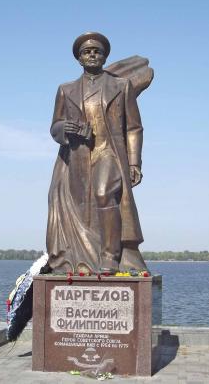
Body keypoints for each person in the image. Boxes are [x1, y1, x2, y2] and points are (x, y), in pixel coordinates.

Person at [46, 32, 149, 274]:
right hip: (78, 157)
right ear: (79, 58)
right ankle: (83, 257)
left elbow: (134, 127)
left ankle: (110, 256)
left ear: (104, 56)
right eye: (86, 52)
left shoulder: (121, 86)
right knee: (83, 210)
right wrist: (65, 128)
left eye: (97, 51)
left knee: (104, 193)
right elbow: (54, 126)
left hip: (109, 151)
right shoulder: (65, 90)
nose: (92, 55)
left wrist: (134, 163)